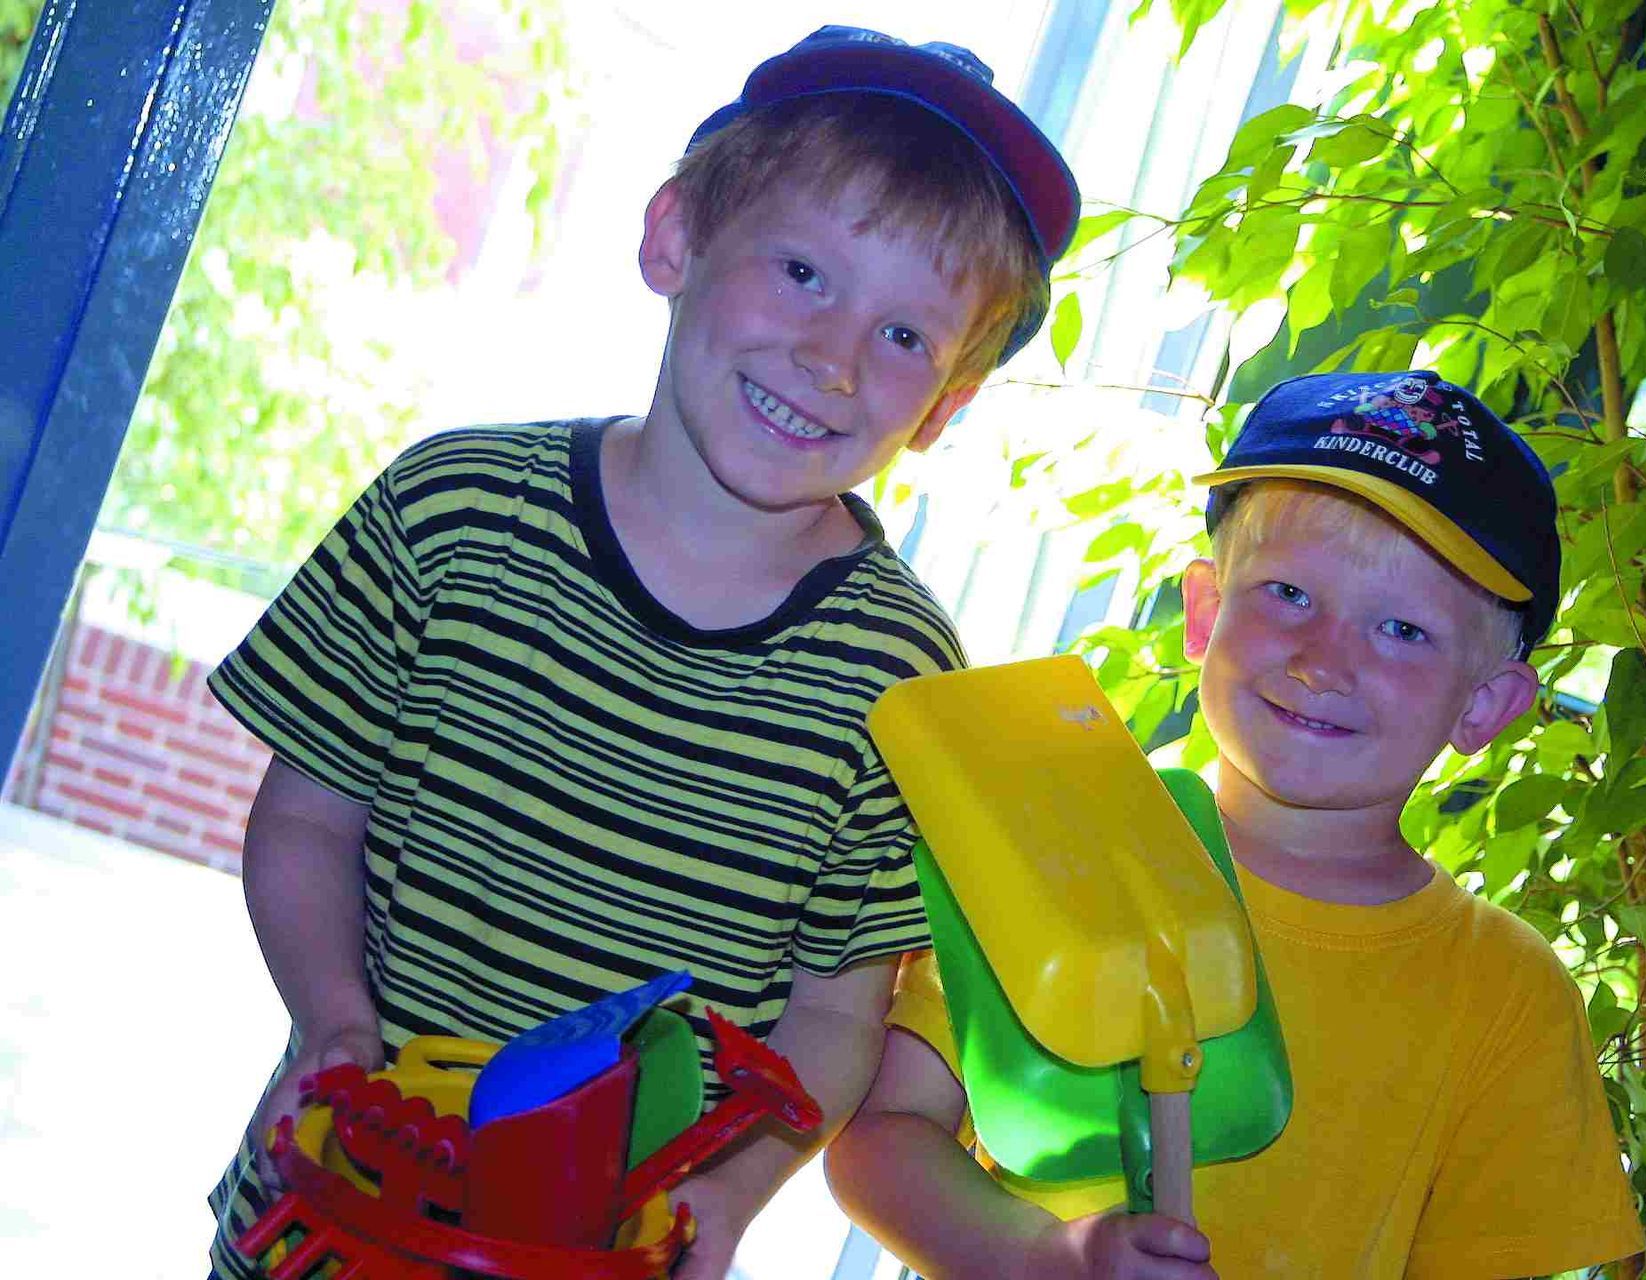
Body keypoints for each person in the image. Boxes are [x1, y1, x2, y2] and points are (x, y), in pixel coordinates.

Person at [203, 26, 1079, 1279]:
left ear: (943, 405)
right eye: (801, 269)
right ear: (674, 237)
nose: (831, 357)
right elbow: (306, 819)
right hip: (333, 1215)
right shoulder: (452, 511)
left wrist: (736, 1191)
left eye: (903, 337)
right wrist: (330, 1019)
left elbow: (837, 1013)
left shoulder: (906, 676)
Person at [827, 371, 1646, 1278]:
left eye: (1403, 631)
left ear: (1486, 705)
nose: (1325, 659)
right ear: (1206, 611)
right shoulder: (1065, 844)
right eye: (1291, 595)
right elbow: (882, 1139)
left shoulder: (1507, 999)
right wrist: (1046, 1260)